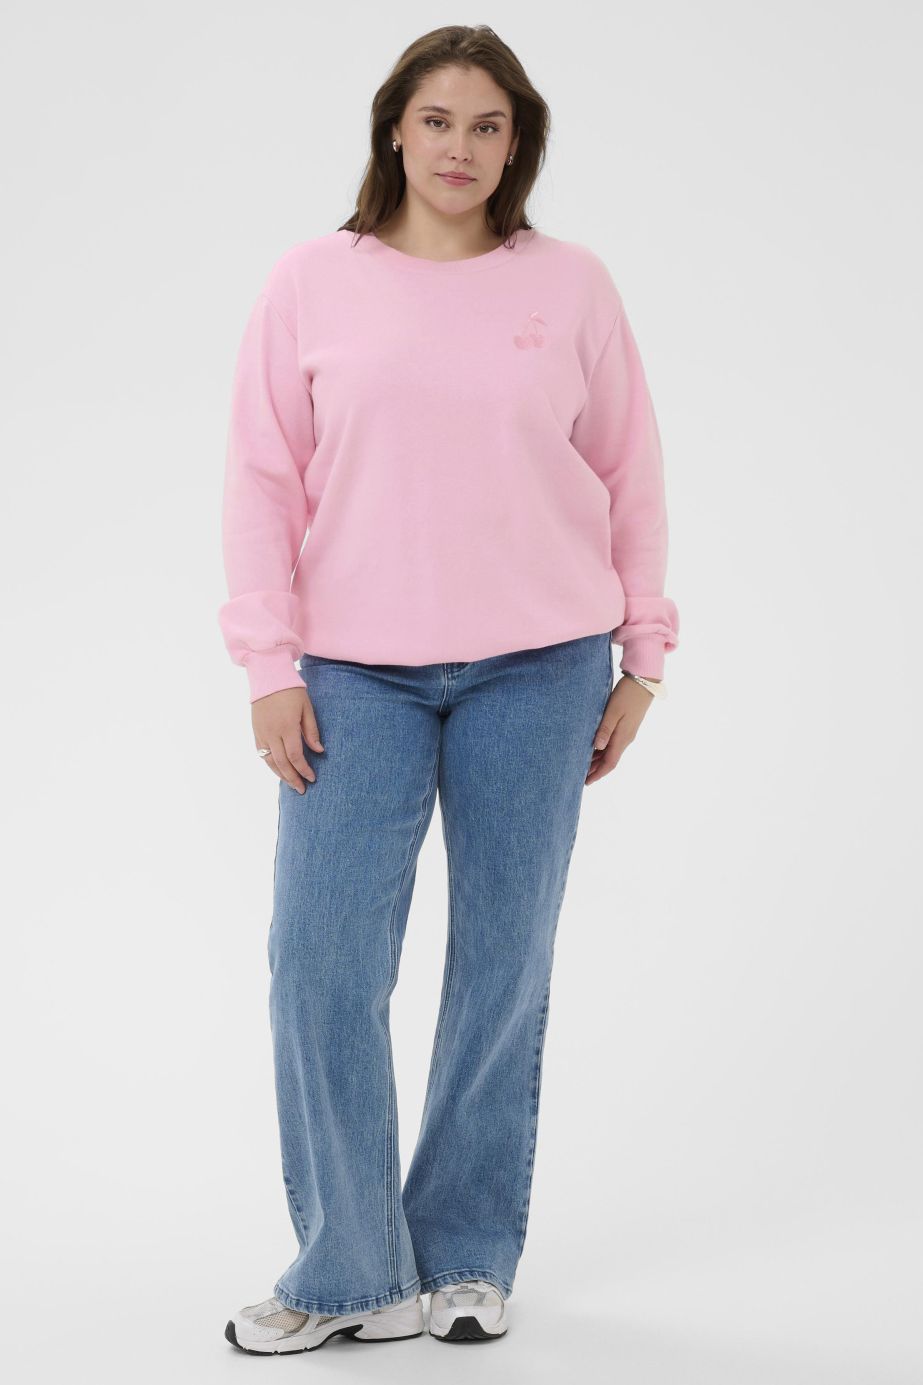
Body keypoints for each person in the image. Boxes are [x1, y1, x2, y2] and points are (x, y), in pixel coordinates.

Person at [218, 24, 679, 1354]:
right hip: (353, 674)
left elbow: (631, 472)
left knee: (500, 966)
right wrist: (268, 664)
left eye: (488, 125)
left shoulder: (572, 285)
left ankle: (468, 1254)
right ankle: (350, 1270)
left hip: (542, 669)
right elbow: (261, 479)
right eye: (437, 120)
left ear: (518, 142)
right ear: (394, 130)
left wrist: (644, 654)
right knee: (319, 961)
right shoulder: (314, 280)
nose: (460, 147)